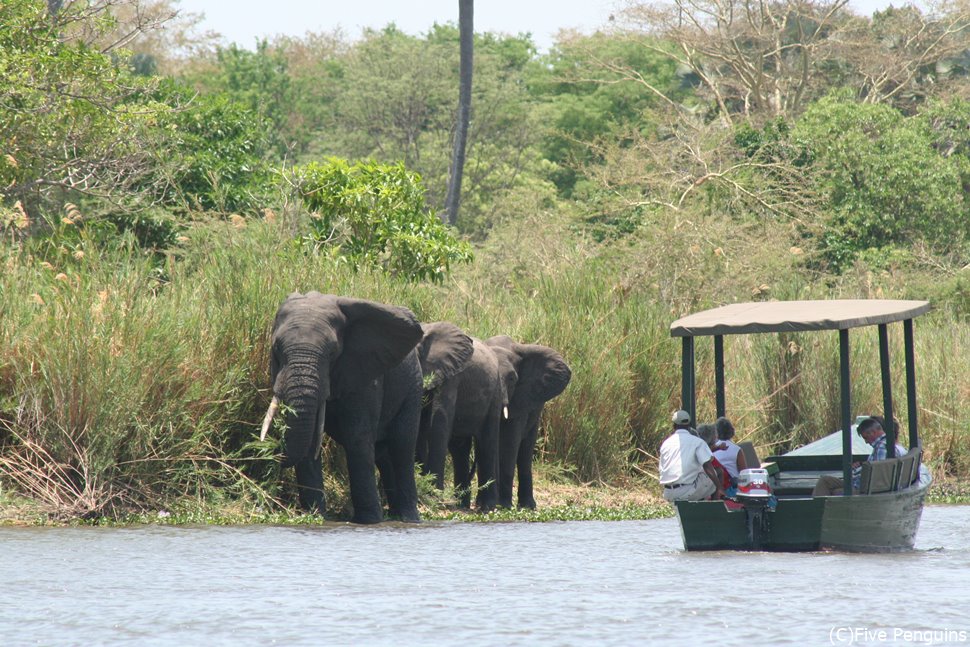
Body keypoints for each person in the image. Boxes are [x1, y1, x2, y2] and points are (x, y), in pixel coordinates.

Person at [811, 417, 908, 497]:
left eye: (866, 437)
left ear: (873, 433)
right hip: (863, 484)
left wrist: (861, 471)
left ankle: (816, 511)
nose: (866, 442)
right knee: (826, 481)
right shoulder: (888, 444)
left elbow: (878, 473)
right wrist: (862, 465)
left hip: (864, 489)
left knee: (827, 485)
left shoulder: (882, 447)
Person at [659, 410, 725, 502]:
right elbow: (707, 466)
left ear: (674, 425)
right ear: (689, 425)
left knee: (698, 477)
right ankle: (714, 507)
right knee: (717, 472)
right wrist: (720, 487)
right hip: (687, 491)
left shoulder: (665, 444)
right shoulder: (697, 442)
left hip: (668, 493)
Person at [696, 423, 732, 493]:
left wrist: (718, 448)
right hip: (725, 489)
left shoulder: (703, 449)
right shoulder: (707, 455)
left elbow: (709, 449)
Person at [713, 416, 748, 484]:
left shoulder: (713, 450)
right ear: (731, 431)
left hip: (718, 486)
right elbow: (744, 473)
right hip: (734, 486)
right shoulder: (737, 450)